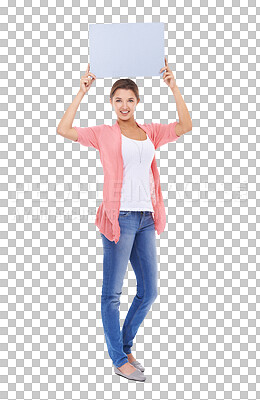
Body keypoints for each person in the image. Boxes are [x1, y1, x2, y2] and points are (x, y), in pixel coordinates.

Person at [57, 58, 192, 381]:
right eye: (118, 100)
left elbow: (185, 126)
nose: (124, 105)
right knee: (112, 294)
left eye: (130, 100)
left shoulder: (150, 133)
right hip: (119, 218)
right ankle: (118, 359)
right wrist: (81, 92)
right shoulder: (103, 133)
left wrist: (174, 88)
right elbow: (63, 129)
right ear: (111, 103)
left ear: (138, 102)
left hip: (145, 217)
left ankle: (125, 346)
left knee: (149, 290)